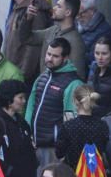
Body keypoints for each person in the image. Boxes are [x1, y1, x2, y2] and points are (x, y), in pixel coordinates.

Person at [24, 39, 84, 167]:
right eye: (48, 54)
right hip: (35, 144)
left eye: (55, 56)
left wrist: (65, 149)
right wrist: (27, 133)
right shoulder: (42, 78)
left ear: (65, 58)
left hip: (54, 149)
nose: (50, 59)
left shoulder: (74, 84)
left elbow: (72, 122)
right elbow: (30, 108)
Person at [19, 0, 88, 79]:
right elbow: (26, 38)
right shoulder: (52, 30)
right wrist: (28, 19)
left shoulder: (76, 42)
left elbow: (77, 76)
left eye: (59, 6)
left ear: (68, 12)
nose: (54, 8)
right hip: (44, 85)